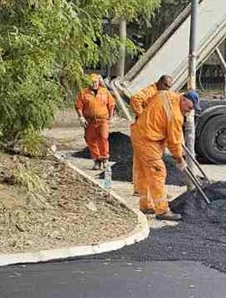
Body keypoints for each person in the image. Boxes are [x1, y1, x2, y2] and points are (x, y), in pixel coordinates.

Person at [130, 87, 195, 221]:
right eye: (189, 108)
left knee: (144, 172)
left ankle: (146, 205)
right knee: (157, 172)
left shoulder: (164, 94)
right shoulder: (176, 116)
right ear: (183, 99)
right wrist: (179, 160)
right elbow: (174, 142)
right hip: (149, 140)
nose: (189, 111)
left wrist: (143, 116)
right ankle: (162, 210)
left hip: (139, 133)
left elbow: (145, 101)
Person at [130, 74, 173, 196]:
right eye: (165, 85)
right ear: (159, 82)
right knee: (151, 163)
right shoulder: (150, 91)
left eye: (169, 87)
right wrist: (143, 116)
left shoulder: (162, 94)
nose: (167, 88)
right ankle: (152, 190)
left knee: (141, 162)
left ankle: (140, 189)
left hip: (150, 132)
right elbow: (135, 99)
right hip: (145, 133)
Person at [75, 73, 115, 172]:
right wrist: (81, 118)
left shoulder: (104, 92)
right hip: (89, 121)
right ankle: (97, 160)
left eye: (95, 82)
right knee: (91, 140)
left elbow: (111, 104)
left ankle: (105, 158)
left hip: (102, 120)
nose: (94, 84)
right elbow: (78, 106)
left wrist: (111, 117)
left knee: (103, 138)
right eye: (92, 82)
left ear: (98, 82)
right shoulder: (84, 93)